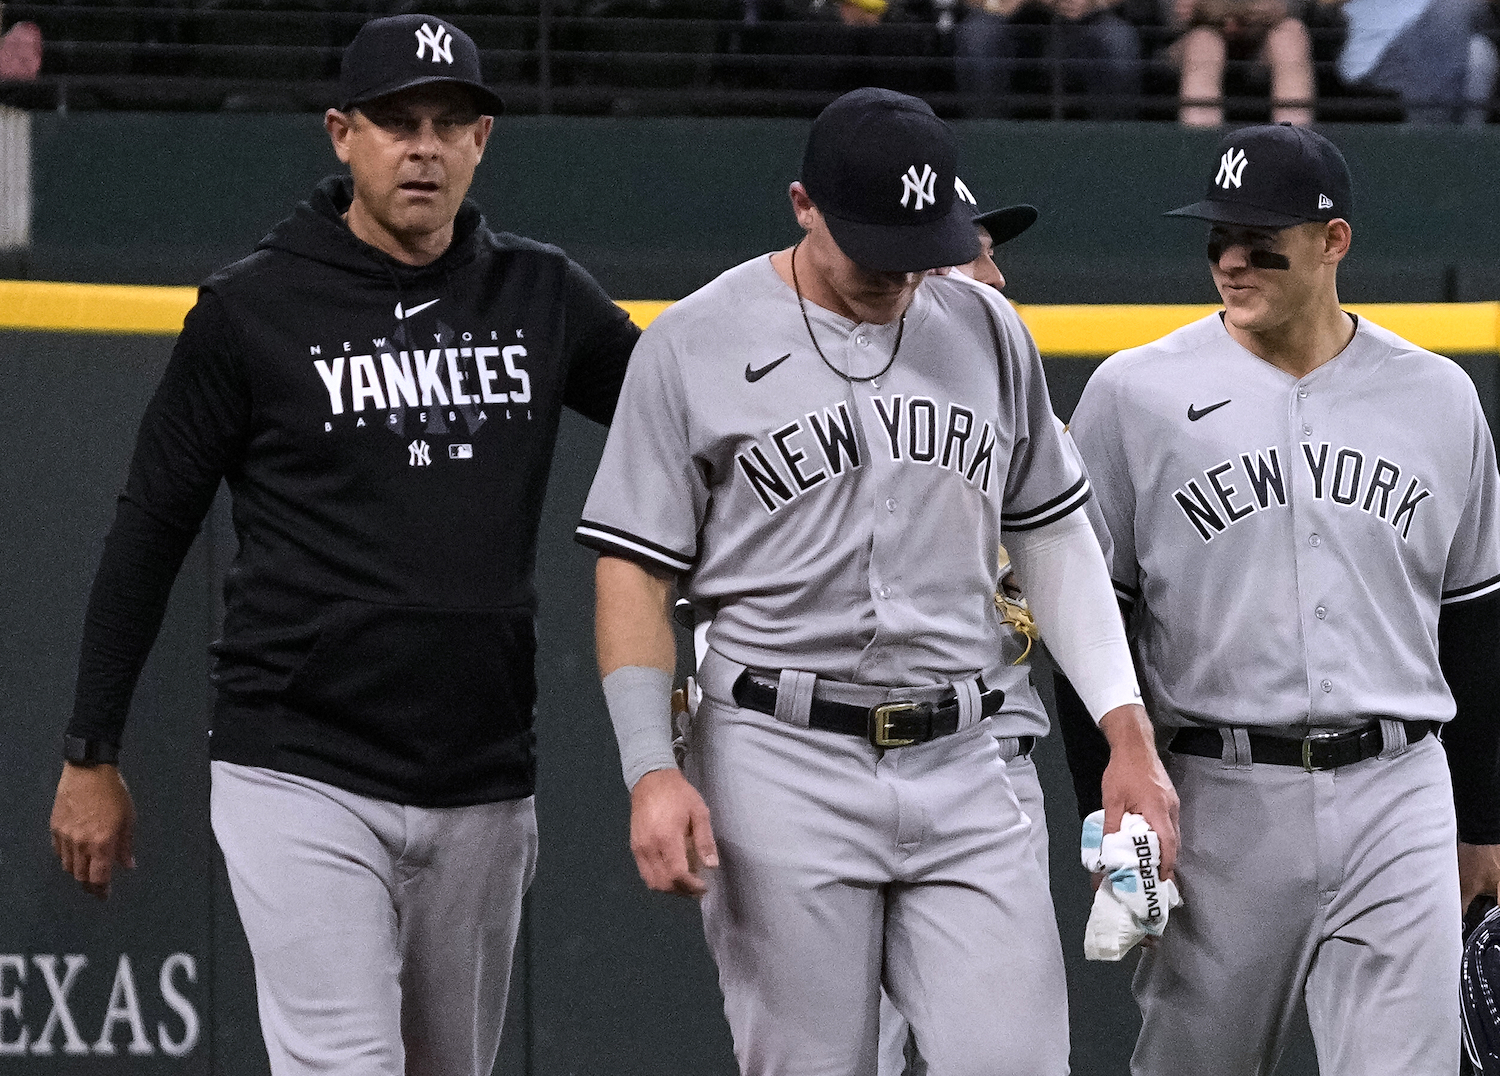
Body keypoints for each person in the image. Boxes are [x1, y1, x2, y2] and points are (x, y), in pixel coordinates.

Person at [47, 13, 638, 1076]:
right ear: (340, 135)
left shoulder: (542, 295)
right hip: (299, 764)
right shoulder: (252, 307)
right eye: (395, 121)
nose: (423, 145)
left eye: (449, 122)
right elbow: (150, 527)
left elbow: (686, 415)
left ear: (481, 143)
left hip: (482, 771)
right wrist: (91, 748)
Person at [576, 86, 1178, 1076]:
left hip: (969, 752)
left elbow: (1054, 534)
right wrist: (651, 766)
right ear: (803, 203)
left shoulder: (985, 330)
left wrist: (1125, 727)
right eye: (874, 244)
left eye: (920, 241)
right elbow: (634, 569)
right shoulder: (694, 341)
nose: (902, 273)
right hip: (780, 754)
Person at [1068, 122, 1500, 1075]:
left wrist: (1484, 823)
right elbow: (1089, 619)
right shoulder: (1132, 393)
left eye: (1259, 239)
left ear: (1333, 242)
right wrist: (1103, 800)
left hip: (1400, 789)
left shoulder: (1437, 397)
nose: (1230, 259)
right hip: (1217, 795)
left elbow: (1474, 620)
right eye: (1216, 236)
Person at [956, 0, 1143, 118]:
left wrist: (1093, 2)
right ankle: (989, 139)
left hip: (1083, 25)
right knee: (976, 37)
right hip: (1009, 24)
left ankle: (1114, 145)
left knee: (1118, 41)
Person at [1316, 0, 1483, 123]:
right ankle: (1429, 140)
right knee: (1454, 7)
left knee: (1481, 55)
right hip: (1375, 60)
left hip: (1443, 45)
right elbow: (1321, 5)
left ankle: (1465, 150)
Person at [1164, 0, 1315, 126]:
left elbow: (1302, 6)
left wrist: (1279, 6)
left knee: (1291, 36)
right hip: (1192, 39)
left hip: (1262, 39)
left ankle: (1295, 145)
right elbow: (1166, 10)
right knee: (1204, 44)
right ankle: (1201, 145)